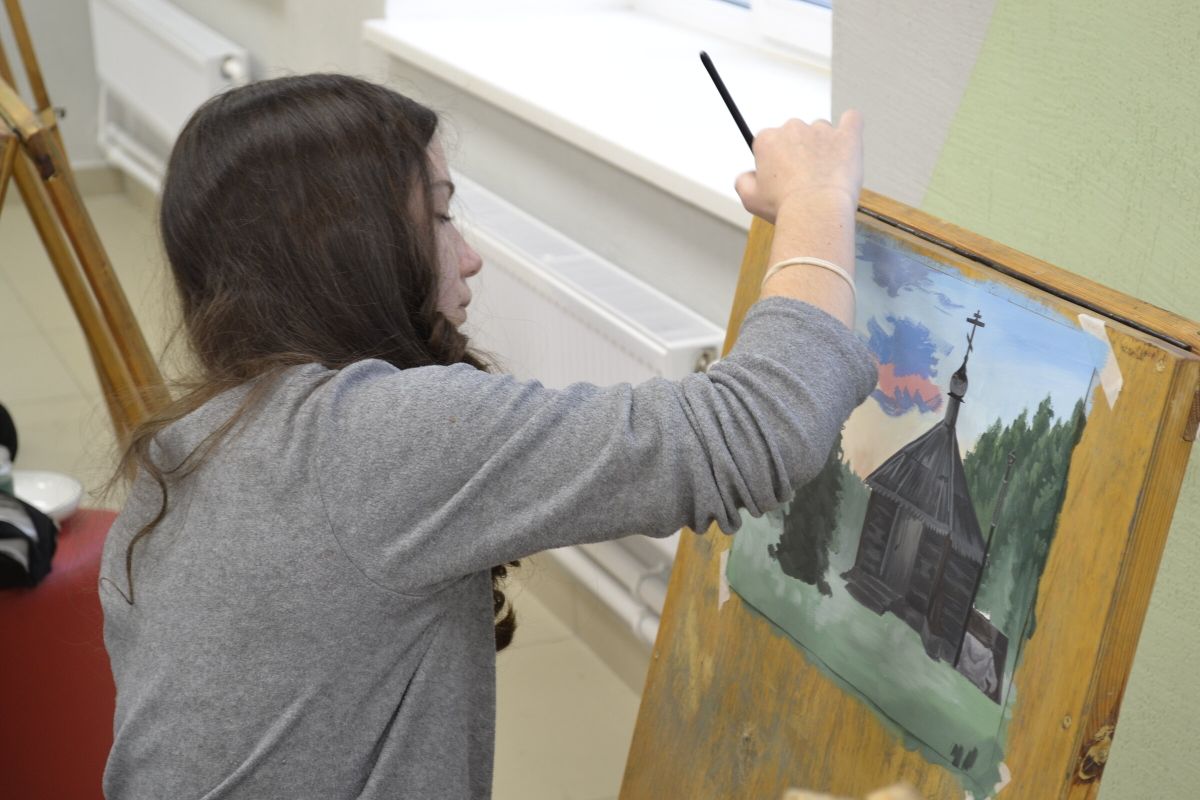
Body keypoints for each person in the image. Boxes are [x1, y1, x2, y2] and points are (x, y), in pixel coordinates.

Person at [98, 73, 876, 799]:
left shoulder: (186, 452)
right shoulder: (371, 442)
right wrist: (816, 200)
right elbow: (759, 427)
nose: (468, 258)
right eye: (440, 217)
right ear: (353, 251)